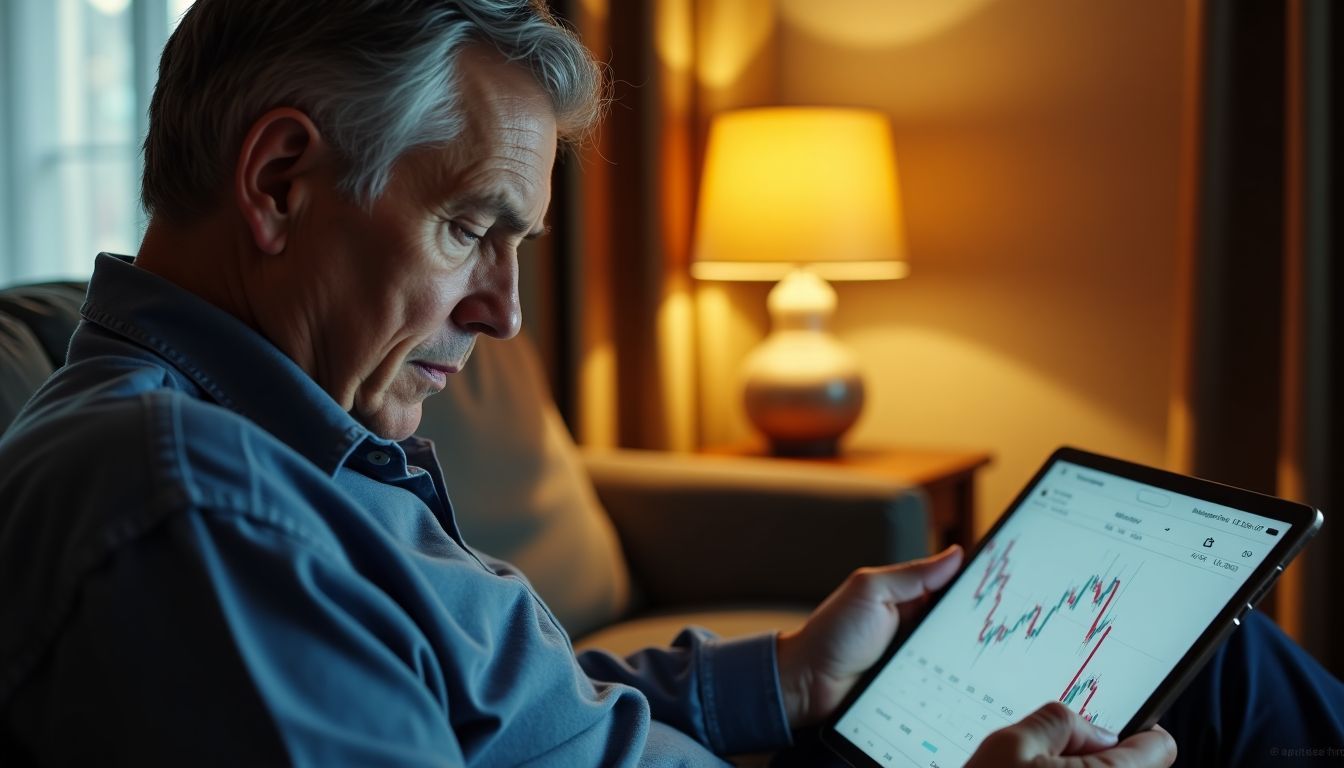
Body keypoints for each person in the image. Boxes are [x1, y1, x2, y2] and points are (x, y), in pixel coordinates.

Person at [0, 1, 1338, 765]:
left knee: (1207, 661)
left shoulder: (282, 443)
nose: (505, 313)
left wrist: (795, 678)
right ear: (281, 183)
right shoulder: (200, 512)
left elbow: (508, 713)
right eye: (474, 227)